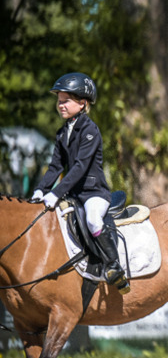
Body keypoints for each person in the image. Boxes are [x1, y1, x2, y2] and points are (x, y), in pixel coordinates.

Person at [32, 72, 129, 293]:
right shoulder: (61, 133)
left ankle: (115, 266)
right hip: (74, 195)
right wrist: (40, 189)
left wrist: (56, 194)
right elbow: (56, 167)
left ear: (82, 103)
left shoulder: (90, 130)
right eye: (59, 101)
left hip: (94, 193)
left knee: (94, 221)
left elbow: (79, 167)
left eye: (65, 101)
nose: (60, 105)